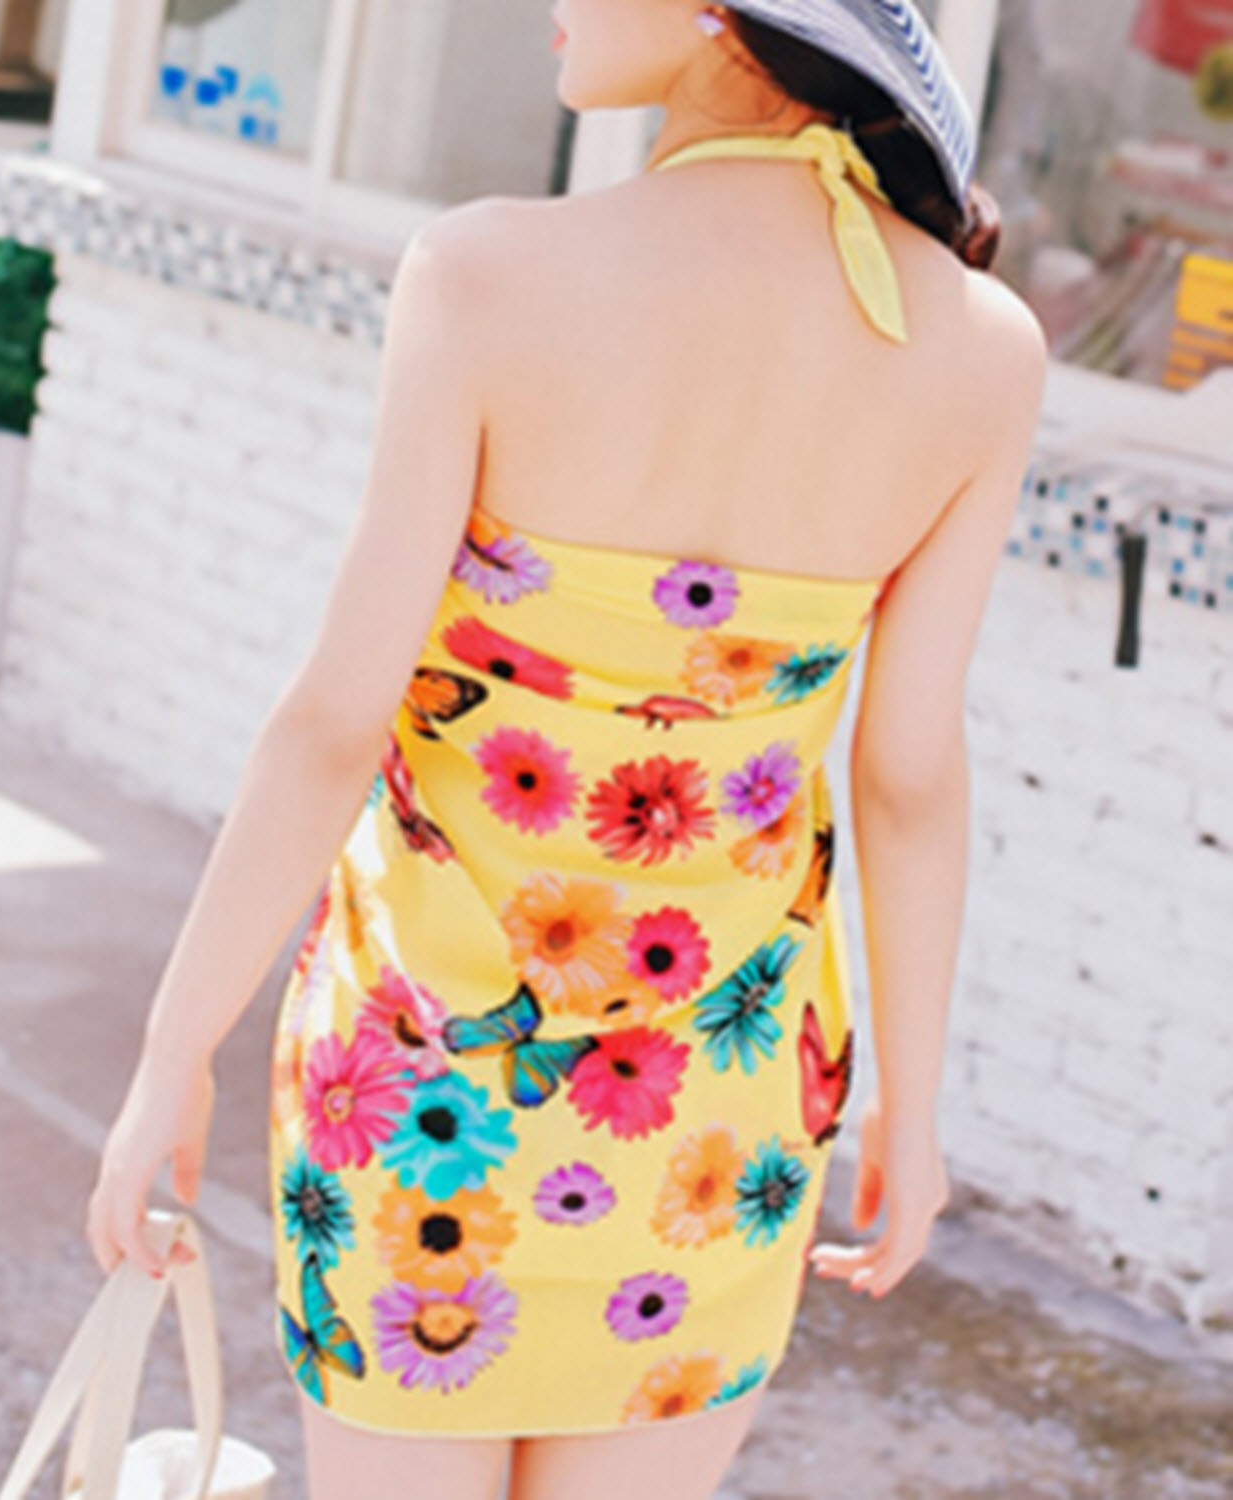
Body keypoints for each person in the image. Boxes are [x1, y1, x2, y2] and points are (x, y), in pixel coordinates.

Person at [84, 3, 1048, 1498]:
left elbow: (336, 717)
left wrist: (174, 1050)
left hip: (423, 1085)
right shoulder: (983, 351)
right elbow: (910, 775)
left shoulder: (486, 275)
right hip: (718, 1109)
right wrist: (910, 1118)